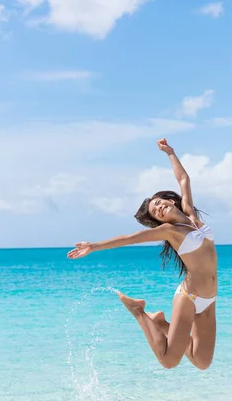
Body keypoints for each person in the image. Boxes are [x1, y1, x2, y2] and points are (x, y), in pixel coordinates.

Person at [67, 139, 217, 370]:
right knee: (169, 361)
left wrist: (171, 153)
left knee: (202, 362)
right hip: (190, 298)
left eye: (159, 202)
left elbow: (184, 179)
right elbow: (131, 238)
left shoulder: (192, 217)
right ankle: (138, 311)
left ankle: (161, 323)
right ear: (160, 221)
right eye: (156, 212)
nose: (159, 207)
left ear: (169, 200)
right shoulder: (170, 231)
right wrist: (93, 246)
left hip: (209, 299)